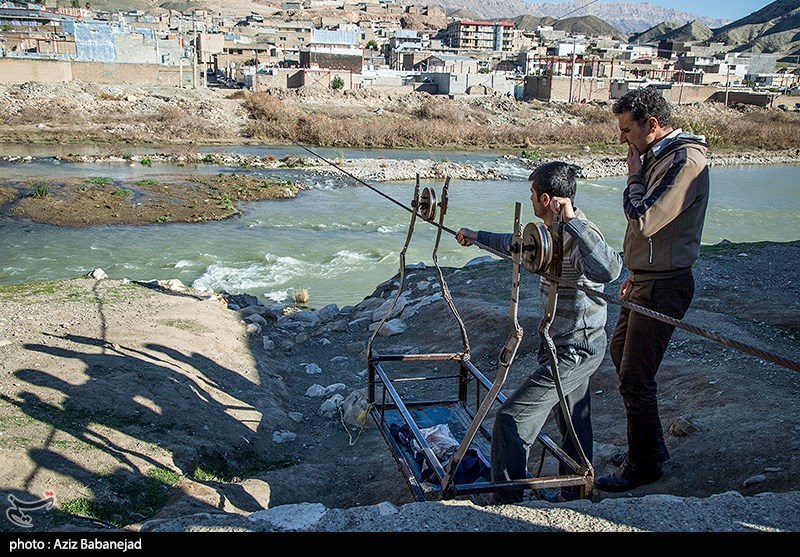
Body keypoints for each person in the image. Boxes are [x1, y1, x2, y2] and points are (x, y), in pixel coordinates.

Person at [456, 161, 622, 503]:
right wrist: (476, 237)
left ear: (546, 199)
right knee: (574, 423)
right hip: (560, 344)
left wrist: (574, 221)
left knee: (511, 419)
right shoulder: (549, 232)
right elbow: (520, 246)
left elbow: (608, 269)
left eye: (532, 193)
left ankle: (508, 503)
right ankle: (574, 494)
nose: (530, 198)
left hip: (577, 349)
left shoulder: (578, 235)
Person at [595, 86, 710, 493]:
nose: (622, 139)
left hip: (664, 285)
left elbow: (643, 219)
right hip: (646, 280)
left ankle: (644, 465)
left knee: (635, 377)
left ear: (653, 124)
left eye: (627, 130)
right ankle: (652, 446)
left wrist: (632, 175)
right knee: (621, 356)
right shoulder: (660, 157)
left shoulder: (684, 160)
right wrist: (637, 270)